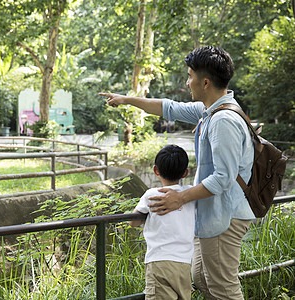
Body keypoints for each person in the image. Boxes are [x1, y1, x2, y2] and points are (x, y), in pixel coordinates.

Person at [100, 46, 255, 300]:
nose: (187, 82)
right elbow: (167, 108)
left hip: (225, 216)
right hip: (211, 214)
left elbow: (223, 178)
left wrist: (180, 198)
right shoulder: (209, 110)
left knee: (223, 289)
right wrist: (127, 100)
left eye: (190, 76)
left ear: (205, 82)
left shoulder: (222, 120)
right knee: (202, 279)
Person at [129, 144, 194, 300]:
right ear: (185, 172)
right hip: (184, 263)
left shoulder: (152, 194)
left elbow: (133, 222)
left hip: (159, 261)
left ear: (155, 170)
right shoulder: (191, 194)